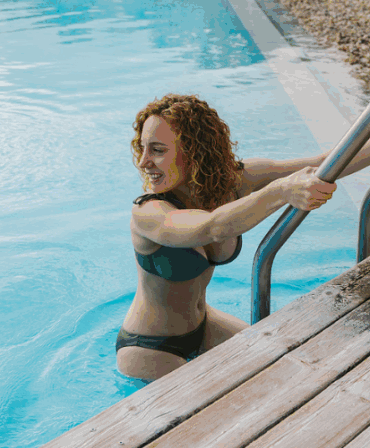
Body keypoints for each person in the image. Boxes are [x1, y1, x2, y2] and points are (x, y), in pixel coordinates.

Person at [118, 94, 370, 381]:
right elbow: (212, 227)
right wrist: (280, 191)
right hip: (150, 348)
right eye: (142, 149)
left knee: (286, 368)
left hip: (205, 326)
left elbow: (324, 163)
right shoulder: (148, 213)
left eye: (158, 150)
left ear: (194, 150)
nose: (143, 161)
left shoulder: (232, 182)